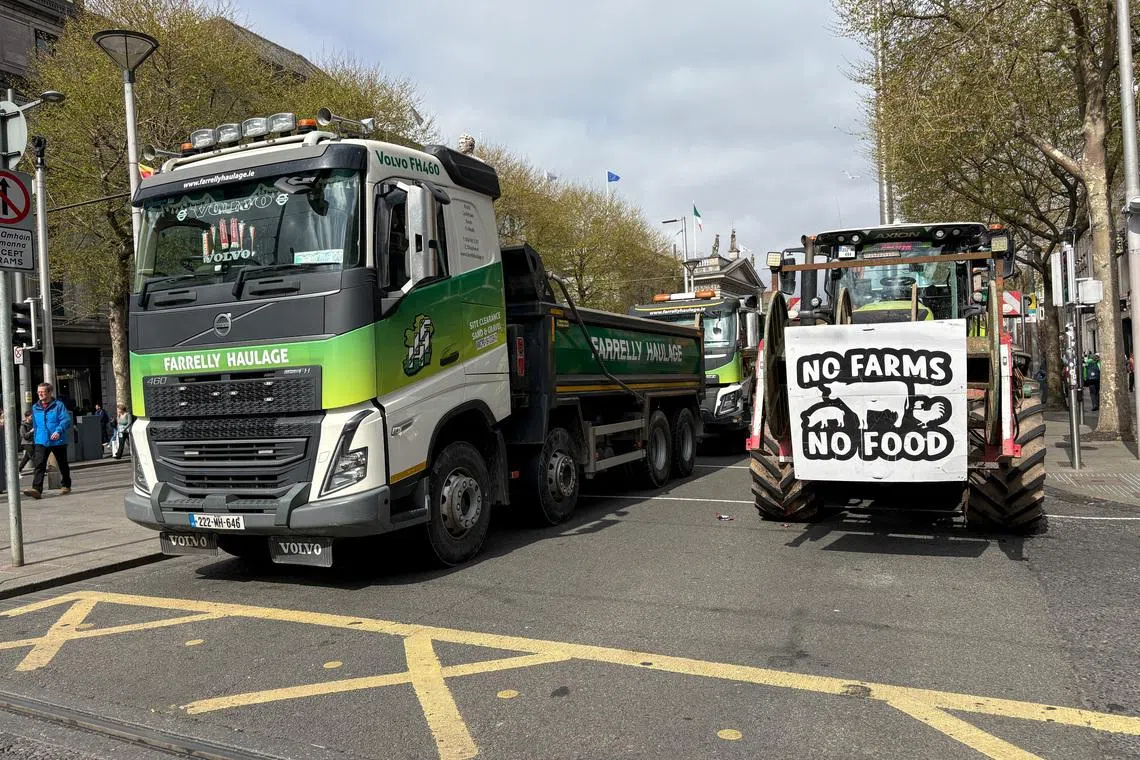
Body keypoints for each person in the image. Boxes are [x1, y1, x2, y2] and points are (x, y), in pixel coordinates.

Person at [22, 382, 72, 499]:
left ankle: (66, 485)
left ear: (50, 392)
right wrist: (36, 437)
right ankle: (37, 489)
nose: (40, 394)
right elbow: (35, 423)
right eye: (38, 392)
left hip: (57, 440)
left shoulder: (58, 405)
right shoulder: (35, 407)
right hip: (41, 440)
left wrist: (58, 431)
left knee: (62, 464)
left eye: (42, 392)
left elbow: (65, 420)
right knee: (39, 464)